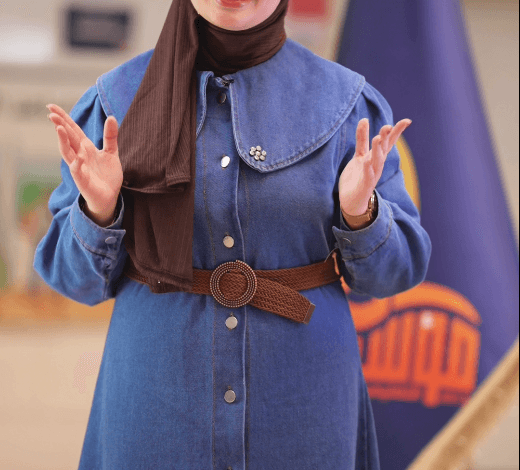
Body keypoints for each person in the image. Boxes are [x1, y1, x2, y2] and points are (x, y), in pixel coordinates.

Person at [34, 0, 432, 468]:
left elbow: (395, 275)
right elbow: (71, 280)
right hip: (155, 402)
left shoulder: (350, 106)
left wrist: (360, 213)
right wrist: (99, 212)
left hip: (304, 402)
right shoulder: (113, 102)